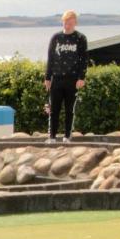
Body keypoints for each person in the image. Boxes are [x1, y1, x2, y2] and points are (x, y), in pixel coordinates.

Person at [45, 10, 87, 142]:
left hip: (72, 79)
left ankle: (67, 136)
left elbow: (84, 59)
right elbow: (50, 58)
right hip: (57, 78)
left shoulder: (80, 38)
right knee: (54, 109)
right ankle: (52, 136)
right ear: (62, 22)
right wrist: (47, 77)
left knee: (69, 109)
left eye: (70, 22)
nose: (68, 25)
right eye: (66, 22)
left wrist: (81, 77)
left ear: (75, 23)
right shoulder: (56, 37)